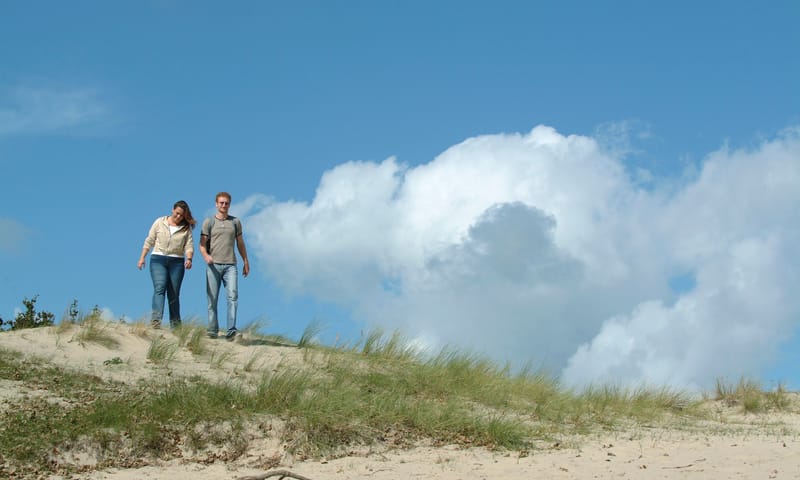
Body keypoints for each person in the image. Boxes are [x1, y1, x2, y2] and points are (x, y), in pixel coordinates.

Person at [199, 191, 250, 340]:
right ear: (216, 204)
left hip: (230, 265)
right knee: (212, 298)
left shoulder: (235, 222)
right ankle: (212, 329)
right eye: (221, 202)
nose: (224, 205)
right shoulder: (209, 222)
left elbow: (240, 243)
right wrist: (206, 256)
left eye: (226, 203)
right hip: (213, 265)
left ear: (229, 204)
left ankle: (231, 330)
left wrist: (245, 260)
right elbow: (202, 245)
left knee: (232, 296)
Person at [138, 200, 196, 329]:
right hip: (158, 258)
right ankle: (156, 321)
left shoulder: (186, 229)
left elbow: (189, 246)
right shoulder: (160, 222)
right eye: (177, 213)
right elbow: (149, 240)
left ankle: (176, 326)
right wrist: (142, 258)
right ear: (172, 210)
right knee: (160, 287)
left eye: (182, 215)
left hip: (177, 262)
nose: (178, 217)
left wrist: (189, 259)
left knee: (174, 293)